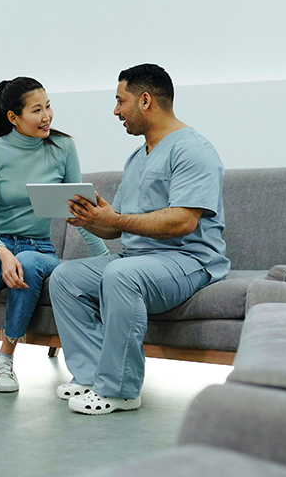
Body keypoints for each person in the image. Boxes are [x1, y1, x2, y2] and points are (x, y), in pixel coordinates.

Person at [49, 64, 228, 415]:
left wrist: (115, 219)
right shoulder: (137, 156)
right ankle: (91, 376)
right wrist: (92, 219)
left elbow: (184, 221)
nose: (116, 111)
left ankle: (120, 390)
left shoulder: (193, 150)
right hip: (136, 260)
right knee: (65, 277)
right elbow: (119, 226)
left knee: (121, 275)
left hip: (189, 261)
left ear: (145, 100)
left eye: (121, 101)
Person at [0, 76, 109, 408]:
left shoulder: (63, 149)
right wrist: (3, 254)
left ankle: (5, 358)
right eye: (37, 110)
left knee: (29, 263)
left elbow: (82, 213)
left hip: (39, 249)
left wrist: (107, 259)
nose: (47, 116)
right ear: (13, 118)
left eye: (48, 107)